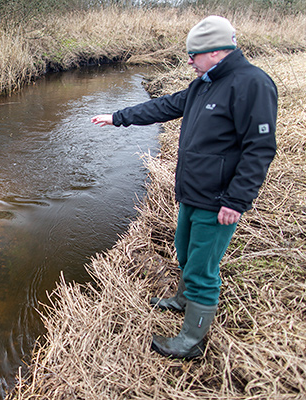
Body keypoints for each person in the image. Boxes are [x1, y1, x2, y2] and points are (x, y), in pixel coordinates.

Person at [91, 15, 277, 359]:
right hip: (193, 192)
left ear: (218, 52)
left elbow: (260, 149)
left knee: (203, 268)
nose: (189, 61)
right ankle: (182, 299)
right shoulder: (204, 83)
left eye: (194, 55)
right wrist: (117, 117)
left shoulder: (252, 84)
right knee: (185, 250)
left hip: (219, 198)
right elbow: (164, 106)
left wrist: (236, 200)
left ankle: (191, 342)